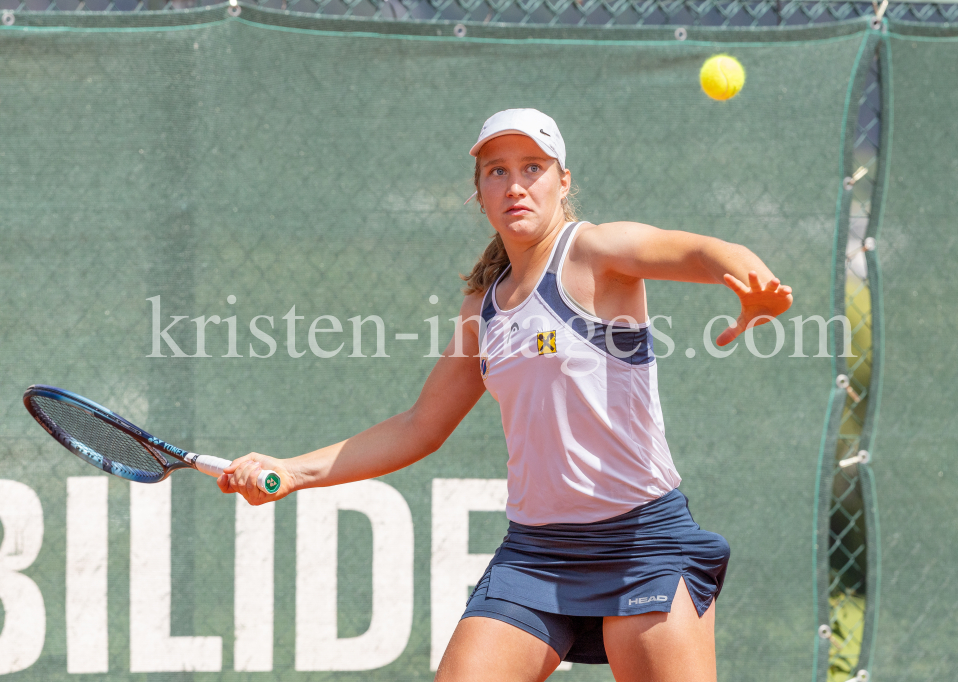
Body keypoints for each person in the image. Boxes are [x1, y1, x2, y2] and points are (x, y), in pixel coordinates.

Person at [219, 108, 793, 682]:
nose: (515, 185)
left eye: (532, 167)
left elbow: (695, 250)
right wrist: (292, 471)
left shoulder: (596, 251)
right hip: (536, 554)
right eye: (496, 171)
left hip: (640, 543)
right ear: (479, 192)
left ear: (562, 180)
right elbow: (420, 425)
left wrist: (749, 282)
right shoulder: (483, 310)